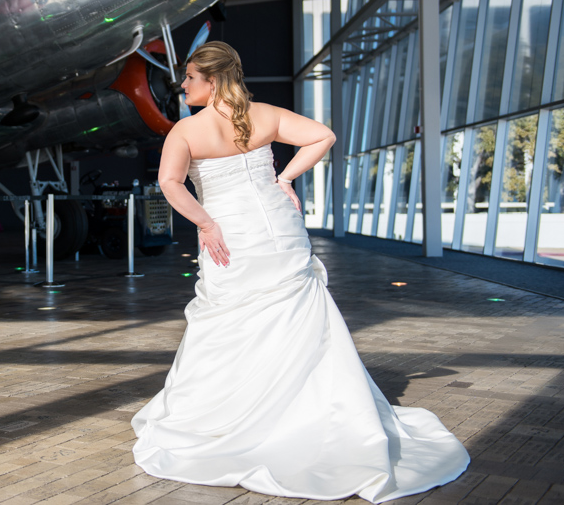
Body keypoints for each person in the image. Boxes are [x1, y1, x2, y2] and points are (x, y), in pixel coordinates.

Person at [131, 42, 469, 502]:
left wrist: (206, 223)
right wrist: (285, 178)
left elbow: (169, 183)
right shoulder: (264, 115)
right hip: (279, 230)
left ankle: (240, 417)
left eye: (190, 77)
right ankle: (306, 409)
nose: (184, 84)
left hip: (232, 236)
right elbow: (322, 136)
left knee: (232, 323)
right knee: (297, 316)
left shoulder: (186, 131)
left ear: (211, 81)